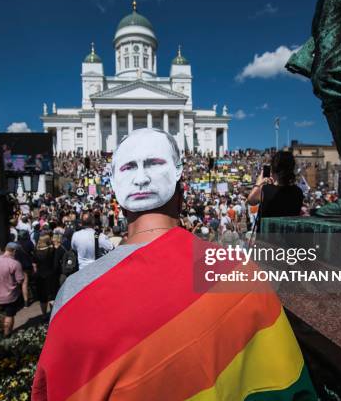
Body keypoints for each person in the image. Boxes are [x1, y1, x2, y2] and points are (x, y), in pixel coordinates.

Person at [32, 128, 316, 400]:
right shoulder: (241, 272)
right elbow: (287, 384)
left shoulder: (74, 295)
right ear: (181, 195)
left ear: (118, 203)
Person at [247, 151, 304, 231]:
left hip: (266, 240)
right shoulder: (298, 192)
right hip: (288, 238)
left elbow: (250, 200)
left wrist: (259, 182)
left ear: (273, 169)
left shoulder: (265, 189)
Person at [0, 243, 24, 337]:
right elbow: (20, 280)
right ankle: (7, 334)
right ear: (14, 251)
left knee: (1, 314)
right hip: (10, 294)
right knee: (9, 315)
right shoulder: (15, 263)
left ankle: (1, 331)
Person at [33, 235, 57, 315]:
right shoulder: (51, 250)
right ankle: (52, 314)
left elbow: (34, 265)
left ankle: (44, 314)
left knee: (42, 298)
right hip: (50, 275)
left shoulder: (36, 251)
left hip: (40, 276)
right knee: (52, 296)